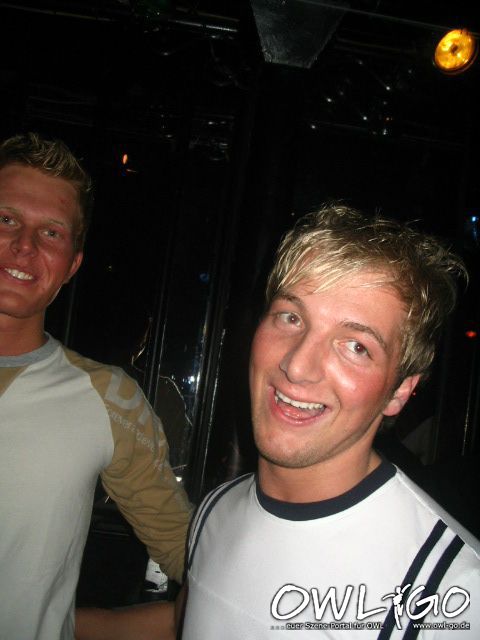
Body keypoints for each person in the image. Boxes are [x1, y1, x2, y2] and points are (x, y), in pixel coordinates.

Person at [181, 204, 480, 638]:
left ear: (400, 391)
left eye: (356, 346)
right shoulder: (214, 510)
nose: (298, 365)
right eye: (291, 317)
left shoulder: (448, 593)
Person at [0, 132, 191, 640]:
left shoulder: (109, 399)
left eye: (51, 232)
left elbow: (190, 552)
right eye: (7, 219)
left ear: (71, 266)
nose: (24, 246)